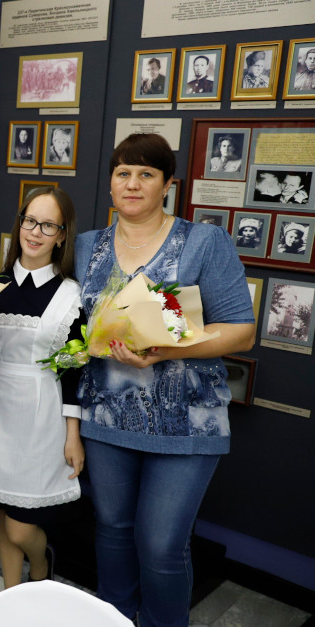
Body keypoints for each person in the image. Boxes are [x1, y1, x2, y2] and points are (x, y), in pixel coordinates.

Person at [76, 133, 255, 627]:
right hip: (106, 415)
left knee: (161, 547)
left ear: (167, 185)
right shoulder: (88, 246)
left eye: (146, 174)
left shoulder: (203, 242)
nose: (132, 184)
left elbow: (241, 331)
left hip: (187, 421)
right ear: (110, 183)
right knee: (112, 530)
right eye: (123, 173)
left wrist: (166, 351)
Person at [0, 187, 84, 589]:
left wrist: (73, 435)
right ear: (19, 224)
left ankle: (40, 560)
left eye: (48, 225)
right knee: (2, 510)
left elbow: (73, 370)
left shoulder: (71, 294)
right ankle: (11, 594)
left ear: (62, 236)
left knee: (20, 526)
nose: (35, 232)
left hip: (42, 413)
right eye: (30, 221)